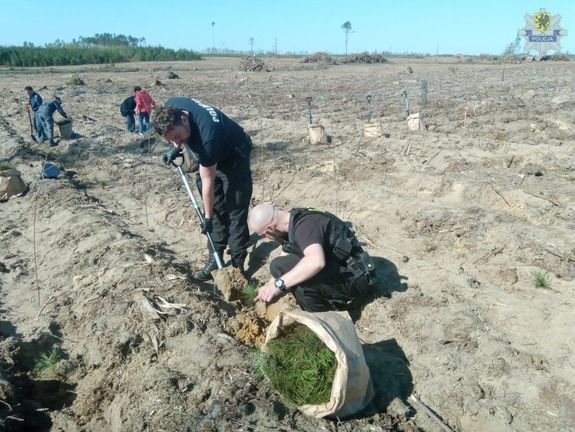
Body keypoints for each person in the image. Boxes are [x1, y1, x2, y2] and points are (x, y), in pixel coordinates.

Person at [153, 98, 253, 280]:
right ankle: (215, 260)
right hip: (212, 156)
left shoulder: (207, 136)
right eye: (171, 139)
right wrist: (176, 148)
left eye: (177, 137)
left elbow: (208, 179)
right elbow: (176, 135)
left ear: (184, 119)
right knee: (216, 211)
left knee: (235, 210)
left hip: (235, 154)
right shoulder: (172, 108)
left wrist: (207, 217)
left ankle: (237, 267)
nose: (177, 140)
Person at [249, 204, 375, 312]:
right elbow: (287, 252)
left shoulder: (305, 226)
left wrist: (278, 285)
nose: (267, 238)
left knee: (301, 281)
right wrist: (270, 284)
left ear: (270, 228)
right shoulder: (292, 219)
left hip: (356, 278)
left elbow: (316, 262)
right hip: (340, 267)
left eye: (264, 235)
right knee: (277, 266)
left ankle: (324, 320)